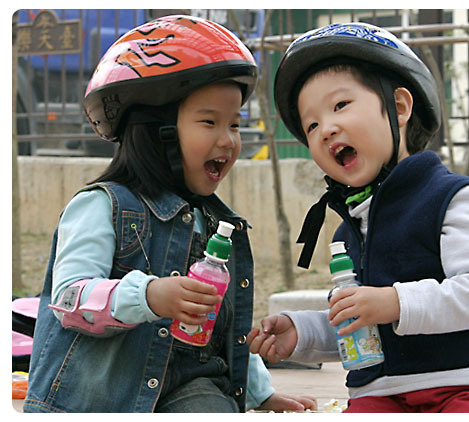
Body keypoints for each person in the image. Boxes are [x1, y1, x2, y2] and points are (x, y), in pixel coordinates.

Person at [23, 15, 316, 413]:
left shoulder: (215, 224)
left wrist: (259, 392)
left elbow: (221, 329)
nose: (229, 140)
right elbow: (69, 299)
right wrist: (148, 296)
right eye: (210, 121)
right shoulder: (102, 206)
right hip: (101, 398)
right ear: (155, 130)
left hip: (189, 389)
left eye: (235, 124)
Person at [247, 22, 469, 413]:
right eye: (311, 125)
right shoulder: (349, 230)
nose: (326, 129)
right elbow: (363, 325)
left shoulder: (456, 200)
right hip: (382, 395)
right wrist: (303, 333)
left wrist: (395, 302)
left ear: (399, 107)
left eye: (340, 105)